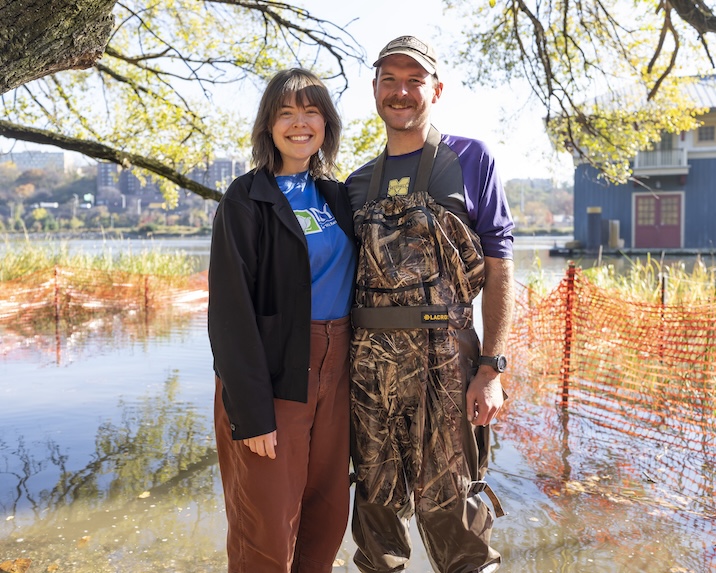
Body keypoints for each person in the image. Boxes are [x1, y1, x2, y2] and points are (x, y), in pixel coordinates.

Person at [346, 36, 515, 573]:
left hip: (448, 358)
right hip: (369, 369)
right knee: (374, 508)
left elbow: (499, 265)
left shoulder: (471, 159)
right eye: (389, 80)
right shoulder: (353, 184)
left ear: (435, 90)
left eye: (414, 80)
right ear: (374, 90)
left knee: (456, 509)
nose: (401, 92)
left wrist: (491, 367)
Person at [208, 68, 356, 573]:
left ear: (326, 123)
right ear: (268, 125)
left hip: (337, 374)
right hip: (274, 380)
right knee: (267, 530)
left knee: (327, 515)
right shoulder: (245, 200)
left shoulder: (337, 197)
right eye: (286, 112)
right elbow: (229, 314)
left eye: (311, 110)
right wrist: (251, 412)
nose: (299, 123)